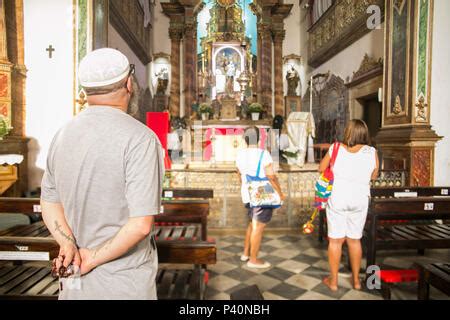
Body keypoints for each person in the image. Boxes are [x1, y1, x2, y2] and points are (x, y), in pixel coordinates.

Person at [41, 48, 165, 300]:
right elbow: (141, 225)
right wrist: (92, 258)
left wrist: (67, 244)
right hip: (122, 283)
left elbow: (49, 202)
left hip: (73, 281)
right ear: (129, 84)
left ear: (85, 90)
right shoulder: (140, 138)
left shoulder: (62, 135)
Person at [319, 119, 379, 292]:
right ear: (364, 133)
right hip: (360, 199)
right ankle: (357, 281)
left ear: (348, 132)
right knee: (354, 240)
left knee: (336, 241)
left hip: (338, 198)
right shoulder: (371, 152)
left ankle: (334, 282)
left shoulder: (336, 148)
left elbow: (321, 168)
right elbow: (374, 176)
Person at [236, 127, 285, 269]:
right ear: (259, 139)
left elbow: (239, 174)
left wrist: (245, 186)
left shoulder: (240, 155)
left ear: (245, 139)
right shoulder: (264, 155)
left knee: (252, 223)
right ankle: (253, 259)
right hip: (261, 194)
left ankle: (246, 253)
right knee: (258, 227)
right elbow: (271, 177)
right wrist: (280, 193)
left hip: (247, 193)